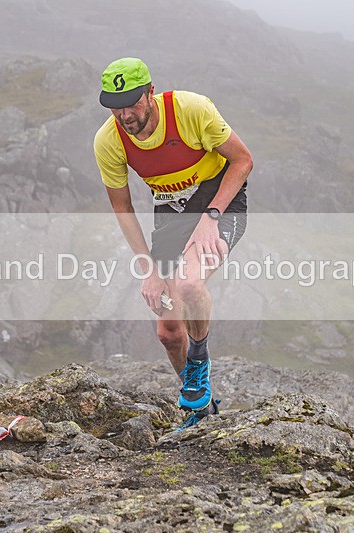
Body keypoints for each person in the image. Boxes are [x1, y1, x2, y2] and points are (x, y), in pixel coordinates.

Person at [93, 57, 253, 429]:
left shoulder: (190, 110)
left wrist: (210, 219)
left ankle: (199, 364)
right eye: (115, 107)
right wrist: (148, 269)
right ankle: (201, 408)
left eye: (132, 103)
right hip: (171, 210)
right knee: (167, 332)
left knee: (188, 282)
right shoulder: (109, 140)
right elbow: (123, 207)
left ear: (151, 92)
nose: (125, 115)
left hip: (220, 198)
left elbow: (243, 161)